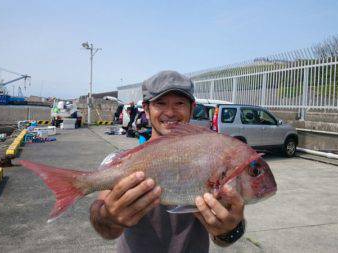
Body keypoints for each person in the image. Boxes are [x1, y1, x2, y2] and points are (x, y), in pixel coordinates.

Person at [90, 70, 245, 252]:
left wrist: (229, 229)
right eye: (160, 103)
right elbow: (106, 231)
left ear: (192, 108)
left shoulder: (211, 161)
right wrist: (108, 216)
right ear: (146, 109)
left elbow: (223, 239)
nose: (170, 112)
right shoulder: (121, 161)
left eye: (179, 103)